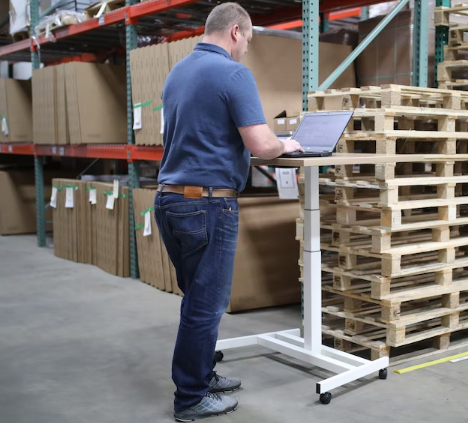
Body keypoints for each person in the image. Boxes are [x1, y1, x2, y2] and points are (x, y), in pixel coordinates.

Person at [153, 3, 303, 421]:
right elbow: (260, 145)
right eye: (248, 42)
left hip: (169, 200)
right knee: (206, 305)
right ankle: (191, 398)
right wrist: (284, 144)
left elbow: (202, 133)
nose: (245, 51)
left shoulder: (177, 72)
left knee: (196, 300)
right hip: (208, 204)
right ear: (235, 32)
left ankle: (202, 373)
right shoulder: (233, 73)